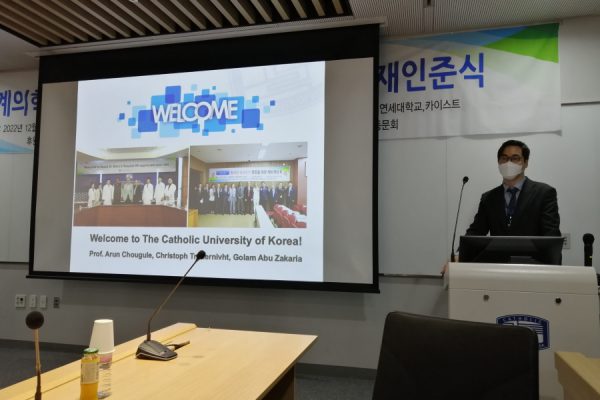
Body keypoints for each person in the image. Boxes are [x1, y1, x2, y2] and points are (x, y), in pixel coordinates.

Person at [466, 140, 561, 237]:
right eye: (504, 158)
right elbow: (475, 232)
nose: (508, 163)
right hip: (498, 248)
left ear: (525, 163)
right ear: (498, 162)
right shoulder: (488, 198)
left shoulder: (544, 193)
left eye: (515, 158)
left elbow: (551, 235)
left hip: (532, 248)